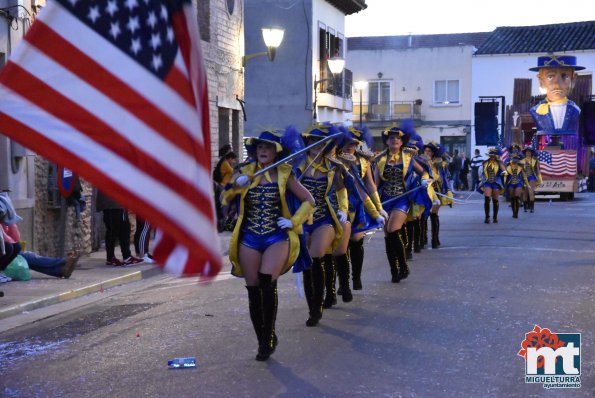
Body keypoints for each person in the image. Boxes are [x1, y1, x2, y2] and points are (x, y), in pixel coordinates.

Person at [223, 129, 315, 361]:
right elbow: (224, 200)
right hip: (249, 237)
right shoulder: (244, 172)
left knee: (266, 282)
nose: (263, 150)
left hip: (277, 236)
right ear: (255, 151)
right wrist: (236, 186)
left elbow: (309, 200)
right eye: (260, 147)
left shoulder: (285, 173)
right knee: (253, 290)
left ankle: (270, 334)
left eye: (269, 147)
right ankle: (263, 340)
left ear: (276, 152)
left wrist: (293, 221)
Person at [296, 124, 347, 325]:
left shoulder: (333, 167)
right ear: (307, 145)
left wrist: (343, 208)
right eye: (313, 143)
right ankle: (313, 307)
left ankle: (318, 305)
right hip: (301, 219)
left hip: (324, 218)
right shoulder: (296, 167)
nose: (317, 147)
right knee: (307, 264)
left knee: (315, 255)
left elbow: (342, 190)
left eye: (321, 144)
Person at [375, 126, 430, 283]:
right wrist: (374, 203)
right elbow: (375, 182)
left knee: (393, 230)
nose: (394, 140)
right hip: (385, 199)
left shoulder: (408, 158)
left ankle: (404, 265)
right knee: (387, 234)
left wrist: (425, 179)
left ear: (401, 142)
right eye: (391, 138)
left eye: (397, 138)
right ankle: (394, 269)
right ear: (387, 141)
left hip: (402, 198)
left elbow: (424, 172)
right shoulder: (379, 159)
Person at [529, 55, 585, 137]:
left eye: (565, 76)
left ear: (573, 80)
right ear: (541, 81)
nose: (557, 84)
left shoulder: (575, 110)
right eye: (550, 77)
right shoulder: (536, 111)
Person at [95, 190, 143, 266]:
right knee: (122, 229)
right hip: (115, 201)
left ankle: (113, 257)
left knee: (113, 230)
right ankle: (123, 257)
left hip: (109, 201)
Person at [424, 141, 453, 248]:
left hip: (436, 192)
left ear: (433, 153)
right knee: (424, 215)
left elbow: (442, 179)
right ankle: (423, 238)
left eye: (429, 151)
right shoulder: (420, 161)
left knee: (433, 214)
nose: (426, 153)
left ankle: (435, 239)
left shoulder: (439, 164)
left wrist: (437, 166)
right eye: (425, 150)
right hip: (424, 191)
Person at [213, 144, 238, 232]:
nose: (234, 162)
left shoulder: (223, 162)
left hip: (223, 187)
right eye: (234, 159)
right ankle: (221, 226)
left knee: (222, 207)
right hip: (222, 187)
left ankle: (221, 225)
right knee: (223, 207)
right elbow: (231, 172)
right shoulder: (225, 164)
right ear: (230, 158)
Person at [478, 148, 506, 224]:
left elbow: (504, 171)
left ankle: (495, 217)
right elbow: (482, 172)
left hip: (496, 182)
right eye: (491, 155)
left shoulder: (499, 163)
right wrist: (481, 178)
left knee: (495, 200)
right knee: (487, 198)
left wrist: (502, 173)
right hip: (488, 182)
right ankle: (487, 217)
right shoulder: (485, 162)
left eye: (494, 156)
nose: (492, 157)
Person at [505, 153, 529, 219]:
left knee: (517, 197)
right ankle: (513, 212)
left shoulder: (521, 167)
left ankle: (516, 213)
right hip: (511, 183)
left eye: (516, 159)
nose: (515, 160)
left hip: (519, 183)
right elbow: (505, 176)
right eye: (514, 159)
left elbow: (524, 176)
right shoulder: (508, 166)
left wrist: (527, 184)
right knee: (512, 198)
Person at [521, 146, 542, 213]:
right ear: (525, 153)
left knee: (531, 192)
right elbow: (520, 171)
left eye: (529, 152)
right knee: (525, 192)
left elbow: (538, 171)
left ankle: (532, 208)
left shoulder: (535, 161)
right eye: (527, 152)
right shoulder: (521, 161)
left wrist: (540, 179)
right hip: (523, 178)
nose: (528, 153)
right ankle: (525, 207)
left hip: (531, 177)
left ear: (531, 153)